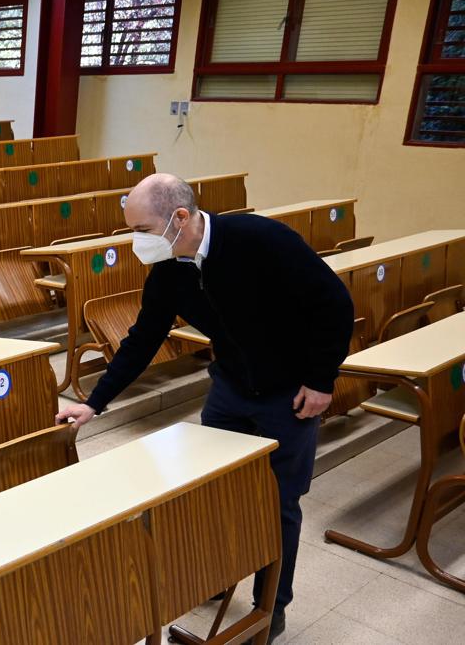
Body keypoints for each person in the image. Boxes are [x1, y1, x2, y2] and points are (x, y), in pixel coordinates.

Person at [57, 174, 354, 641]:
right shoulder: (171, 270)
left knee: (278, 503)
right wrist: (93, 401)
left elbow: (334, 304)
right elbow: (142, 339)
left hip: (289, 395)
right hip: (231, 389)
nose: (137, 242)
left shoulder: (261, 240)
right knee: (210, 491)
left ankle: (270, 604)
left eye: (143, 230)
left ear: (180, 218)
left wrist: (321, 380)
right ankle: (216, 576)